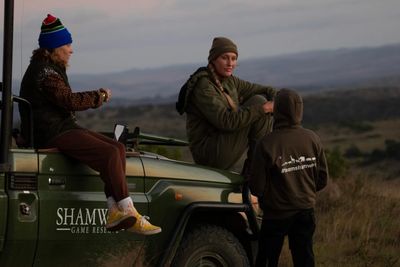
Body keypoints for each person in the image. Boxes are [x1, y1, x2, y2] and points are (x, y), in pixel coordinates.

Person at [19, 14, 161, 235]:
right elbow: (69, 100)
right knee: (109, 153)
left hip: (60, 127)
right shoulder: (45, 73)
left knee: (119, 148)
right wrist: (99, 96)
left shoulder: (47, 68)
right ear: (54, 48)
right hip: (51, 132)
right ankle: (129, 211)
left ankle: (114, 211)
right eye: (67, 44)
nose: (71, 50)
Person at [248, 89, 329, 267]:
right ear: (299, 110)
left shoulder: (267, 143)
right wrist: (302, 192)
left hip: (276, 215)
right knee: (305, 258)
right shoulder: (312, 138)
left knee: (267, 260)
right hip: (306, 211)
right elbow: (322, 179)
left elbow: (256, 187)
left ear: (277, 111)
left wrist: (274, 197)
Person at [176, 37, 277, 173]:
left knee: (259, 101)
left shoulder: (229, 81)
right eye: (225, 58)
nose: (230, 63)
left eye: (234, 58)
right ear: (213, 59)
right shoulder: (204, 86)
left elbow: (266, 89)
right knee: (259, 104)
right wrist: (264, 108)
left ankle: (257, 170)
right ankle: (257, 172)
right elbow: (226, 122)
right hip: (209, 153)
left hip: (222, 143)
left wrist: (276, 99)